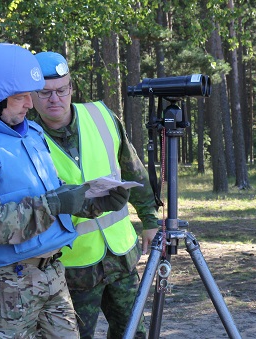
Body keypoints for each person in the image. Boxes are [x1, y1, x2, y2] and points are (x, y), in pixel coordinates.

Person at [0, 43, 129, 338]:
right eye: (21, 96)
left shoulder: (33, 134)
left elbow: (57, 194)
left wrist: (95, 200)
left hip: (53, 274)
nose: (29, 104)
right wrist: (54, 204)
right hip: (5, 287)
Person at [31, 51, 160, 339]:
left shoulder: (101, 117)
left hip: (121, 257)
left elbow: (132, 169)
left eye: (62, 90)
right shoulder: (25, 138)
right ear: (31, 95)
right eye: (45, 92)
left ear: (71, 88)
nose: (55, 99)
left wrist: (150, 219)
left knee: (133, 334)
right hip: (72, 267)